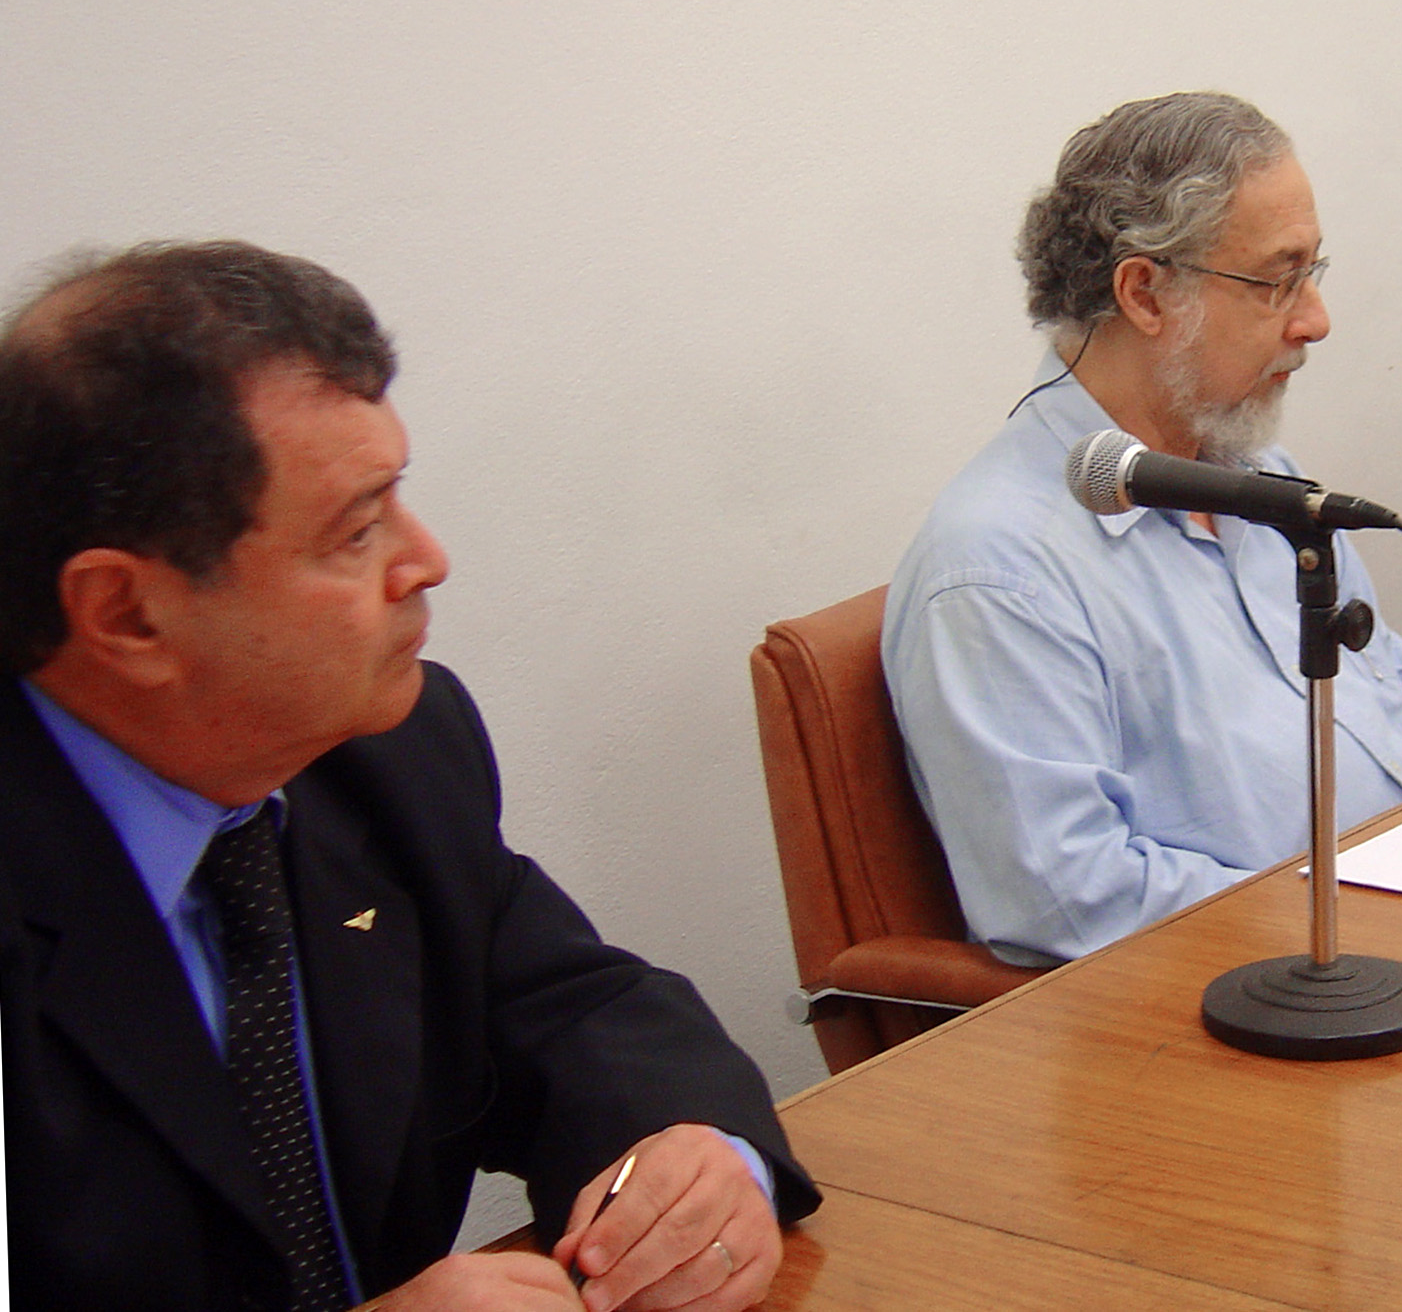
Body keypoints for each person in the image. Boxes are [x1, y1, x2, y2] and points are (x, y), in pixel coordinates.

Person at [0, 242, 821, 1312]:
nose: (425, 558)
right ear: (126, 613)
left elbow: (579, 1009)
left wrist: (698, 1155)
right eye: (355, 530)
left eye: (399, 498)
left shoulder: (386, 755)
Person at [883, 92, 1402, 967]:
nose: (1316, 319)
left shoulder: (1260, 478)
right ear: (1145, 293)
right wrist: (1362, 920)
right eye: (1279, 279)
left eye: (1315, 273)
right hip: (1255, 1006)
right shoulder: (1000, 571)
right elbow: (1069, 900)